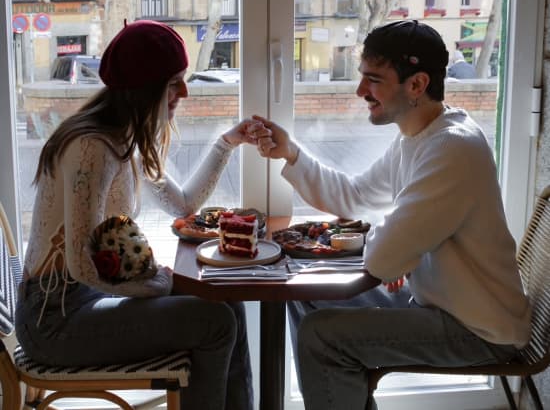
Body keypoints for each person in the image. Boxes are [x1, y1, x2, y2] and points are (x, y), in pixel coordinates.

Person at [250, 20, 531, 410]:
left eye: (373, 80)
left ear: (416, 85)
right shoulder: (417, 138)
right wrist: (291, 153)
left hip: (478, 328)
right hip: (436, 304)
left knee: (322, 335)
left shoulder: (453, 148)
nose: (360, 91)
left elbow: (383, 258)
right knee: (307, 296)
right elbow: (355, 196)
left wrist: (398, 245)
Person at [16, 20, 259, 410]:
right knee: (214, 323)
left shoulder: (126, 136)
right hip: (55, 321)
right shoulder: (93, 147)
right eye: (173, 82)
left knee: (226, 301)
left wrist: (227, 143)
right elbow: (80, 264)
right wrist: (155, 286)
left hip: (84, 299)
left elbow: (182, 206)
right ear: (144, 88)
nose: (184, 91)